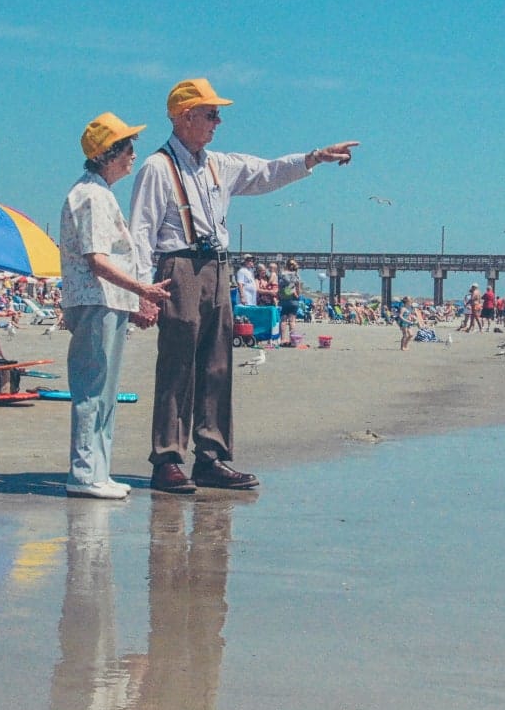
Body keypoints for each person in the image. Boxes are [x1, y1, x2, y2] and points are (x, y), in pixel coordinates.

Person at [129, 76, 358, 494]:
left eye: (217, 115)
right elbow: (140, 231)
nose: (218, 122)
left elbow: (267, 172)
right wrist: (143, 292)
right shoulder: (157, 168)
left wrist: (313, 158)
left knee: (217, 365)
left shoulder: (219, 163)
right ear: (185, 117)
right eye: (211, 114)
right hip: (177, 266)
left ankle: (210, 455)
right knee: (178, 364)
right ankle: (166, 458)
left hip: (217, 267)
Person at [59, 112, 172, 501]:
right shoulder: (90, 195)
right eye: (127, 148)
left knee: (105, 390)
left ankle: (98, 471)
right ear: (108, 154)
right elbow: (97, 259)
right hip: (95, 300)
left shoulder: (100, 192)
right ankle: (85, 472)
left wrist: (135, 298)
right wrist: (143, 288)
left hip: (107, 301)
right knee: (92, 387)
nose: (133, 155)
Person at [278, 258, 303, 345]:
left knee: (283, 320)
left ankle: (282, 340)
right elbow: (298, 291)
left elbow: (280, 287)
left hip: (284, 300)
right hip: (293, 300)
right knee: (292, 321)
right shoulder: (296, 275)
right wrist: (295, 293)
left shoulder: (282, 274)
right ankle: (293, 340)